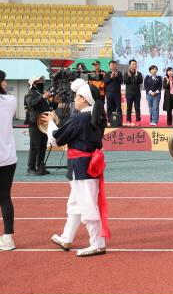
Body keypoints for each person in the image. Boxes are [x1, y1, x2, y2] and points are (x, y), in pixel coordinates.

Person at [43, 79, 110, 257]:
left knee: (87, 206)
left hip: (81, 168)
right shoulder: (95, 116)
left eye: (78, 96)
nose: (75, 99)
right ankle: (66, 237)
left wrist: (51, 123)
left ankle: (97, 243)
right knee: (74, 204)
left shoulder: (80, 118)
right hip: (86, 166)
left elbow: (56, 139)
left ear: (86, 99)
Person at [0, 70, 17, 250]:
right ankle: (8, 237)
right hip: (8, 158)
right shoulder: (10, 101)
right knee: (5, 198)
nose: (5, 83)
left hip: (6, 157)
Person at [24, 76, 52, 176]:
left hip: (43, 124)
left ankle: (40, 166)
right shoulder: (30, 94)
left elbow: (48, 107)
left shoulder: (41, 93)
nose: (42, 82)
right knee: (34, 147)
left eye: (42, 81)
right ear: (34, 83)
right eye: (39, 81)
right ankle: (30, 168)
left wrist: (55, 102)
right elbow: (31, 104)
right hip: (34, 124)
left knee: (42, 146)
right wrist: (43, 97)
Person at [124, 59, 143, 126]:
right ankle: (128, 120)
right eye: (133, 64)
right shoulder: (127, 73)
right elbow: (125, 82)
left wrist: (137, 76)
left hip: (137, 93)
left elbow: (141, 82)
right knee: (129, 107)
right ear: (130, 65)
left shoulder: (139, 73)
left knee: (137, 107)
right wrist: (129, 77)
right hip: (129, 93)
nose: (134, 65)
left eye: (135, 64)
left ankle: (138, 120)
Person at [103, 60, 123, 126]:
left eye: (114, 65)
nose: (113, 66)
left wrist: (116, 77)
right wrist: (111, 78)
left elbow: (121, 81)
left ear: (116, 66)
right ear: (109, 66)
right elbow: (105, 82)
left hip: (117, 93)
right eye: (111, 65)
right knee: (109, 107)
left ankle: (119, 121)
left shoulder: (119, 73)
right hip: (109, 93)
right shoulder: (107, 73)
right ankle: (109, 120)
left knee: (118, 107)